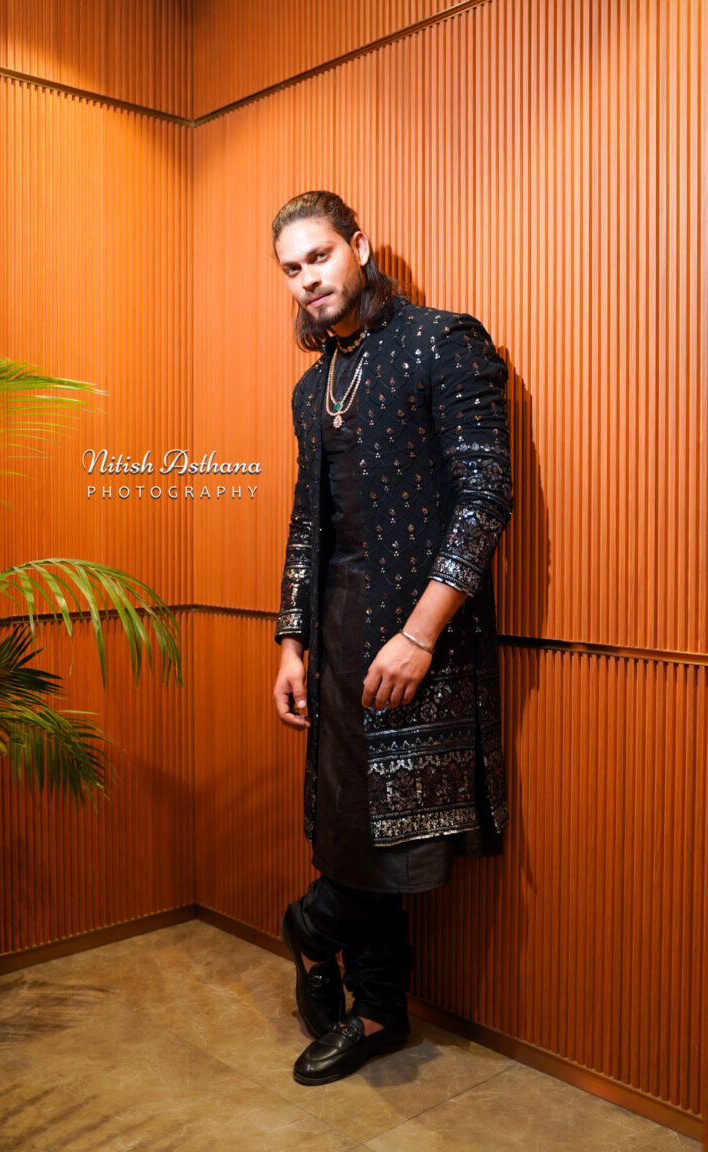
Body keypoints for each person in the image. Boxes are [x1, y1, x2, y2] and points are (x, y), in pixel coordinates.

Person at [271, 190, 512, 1086]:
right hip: (336, 631)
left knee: (395, 834)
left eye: (320, 256)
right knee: (348, 825)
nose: (308, 279)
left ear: (360, 247)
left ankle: (312, 930)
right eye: (291, 269)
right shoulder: (313, 387)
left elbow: (485, 497)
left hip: (419, 634)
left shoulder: (442, 342)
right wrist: (291, 644)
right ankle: (379, 1012)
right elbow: (308, 522)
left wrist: (418, 634)